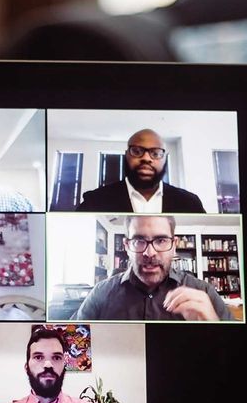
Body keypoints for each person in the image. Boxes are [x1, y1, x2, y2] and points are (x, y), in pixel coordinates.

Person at [73, 215, 234, 321]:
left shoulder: (203, 292)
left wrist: (215, 326)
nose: (149, 253)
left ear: (174, 246)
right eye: (139, 240)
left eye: (161, 240)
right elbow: (70, 349)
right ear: (127, 246)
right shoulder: (101, 293)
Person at [0, 327, 118, 403]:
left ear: (65, 366)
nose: (48, 365)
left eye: (56, 357)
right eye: (38, 357)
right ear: (26, 367)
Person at [76, 129, 206, 213]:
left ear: (165, 159)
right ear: (126, 155)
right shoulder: (95, 201)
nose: (146, 158)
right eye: (137, 151)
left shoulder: (190, 203)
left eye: (155, 153)